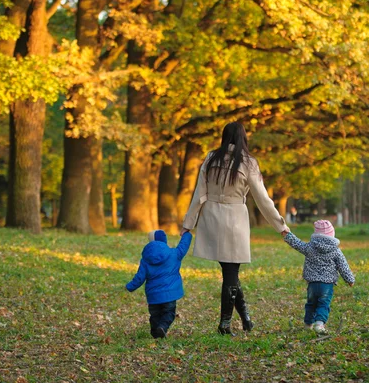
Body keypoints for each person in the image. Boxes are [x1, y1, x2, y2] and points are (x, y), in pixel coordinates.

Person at [181, 122, 290, 335]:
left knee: (230, 271)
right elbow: (263, 199)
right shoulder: (248, 163)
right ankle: (224, 323)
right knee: (231, 273)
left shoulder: (211, 158)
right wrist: (281, 226)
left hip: (211, 218)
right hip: (234, 220)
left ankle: (246, 318)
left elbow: (198, 193)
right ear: (243, 138)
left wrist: (188, 223)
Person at [282, 219, 355, 334]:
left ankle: (308, 324)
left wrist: (287, 235)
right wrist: (350, 280)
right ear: (332, 234)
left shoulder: (309, 247)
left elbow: (297, 244)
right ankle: (319, 324)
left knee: (311, 304)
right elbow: (343, 266)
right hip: (327, 285)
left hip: (312, 284)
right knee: (323, 304)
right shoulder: (336, 251)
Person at [126, 229, 193, 339]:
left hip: (153, 296)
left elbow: (140, 277)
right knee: (169, 313)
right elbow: (183, 245)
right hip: (170, 294)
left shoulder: (146, 259)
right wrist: (187, 234)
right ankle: (162, 328)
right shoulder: (174, 254)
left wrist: (129, 287)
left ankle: (155, 333)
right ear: (164, 240)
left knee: (155, 315)